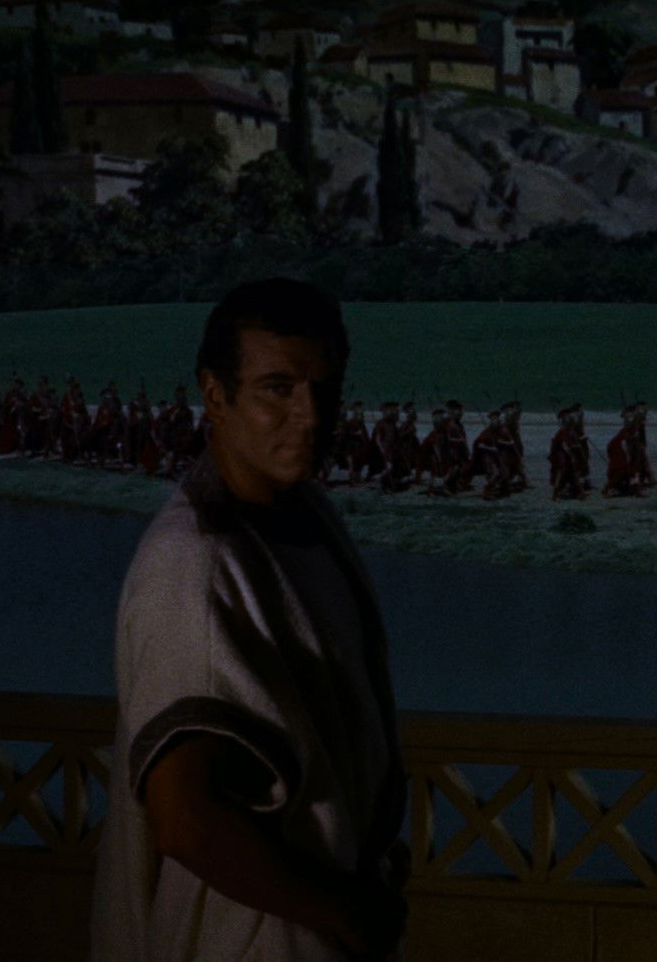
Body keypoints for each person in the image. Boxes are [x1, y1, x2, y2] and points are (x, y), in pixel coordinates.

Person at [92, 277, 409, 962]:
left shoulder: (310, 515)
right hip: (250, 937)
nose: (310, 416)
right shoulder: (193, 563)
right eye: (277, 389)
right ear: (216, 395)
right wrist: (346, 910)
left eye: (324, 389)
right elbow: (186, 819)